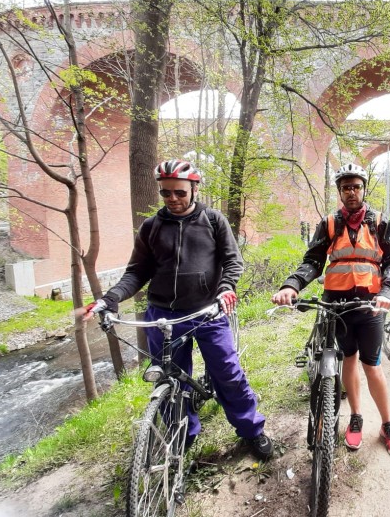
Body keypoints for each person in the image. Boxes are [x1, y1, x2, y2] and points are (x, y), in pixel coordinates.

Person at [84, 159, 272, 461]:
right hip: (162, 317)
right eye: (166, 193)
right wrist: (111, 298)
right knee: (169, 378)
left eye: (180, 193)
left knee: (228, 373)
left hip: (207, 313)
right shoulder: (151, 227)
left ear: (194, 189)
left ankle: (251, 430)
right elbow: (136, 272)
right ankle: (183, 433)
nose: (173, 199)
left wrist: (226, 288)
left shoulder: (213, 220)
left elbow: (232, 261)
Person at [271, 163, 390, 458]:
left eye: (356, 186)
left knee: (372, 364)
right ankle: (356, 417)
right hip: (336, 303)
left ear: (363, 189)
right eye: (346, 187)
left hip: (371, 303)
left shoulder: (380, 221)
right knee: (349, 359)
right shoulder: (329, 223)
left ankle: (387, 423)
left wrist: (387, 292)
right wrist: (291, 285)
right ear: (340, 191)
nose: (352, 192)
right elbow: (313, 261)